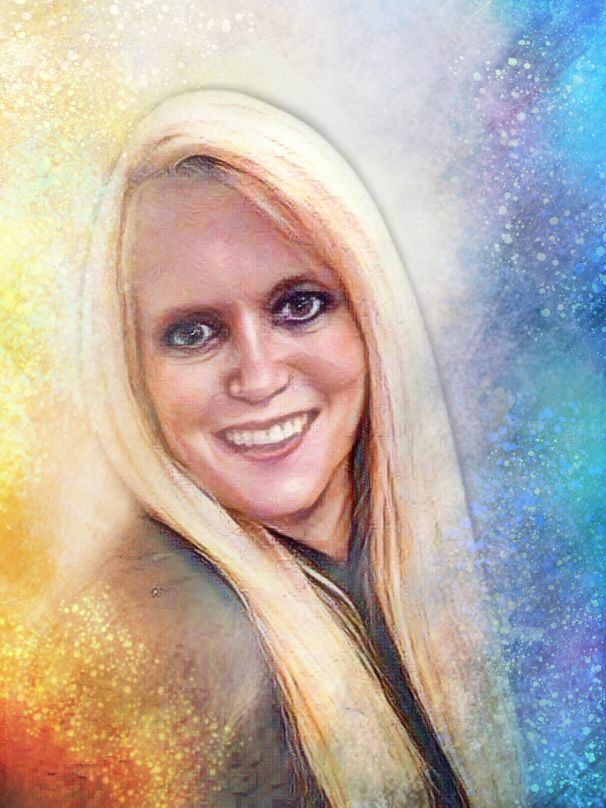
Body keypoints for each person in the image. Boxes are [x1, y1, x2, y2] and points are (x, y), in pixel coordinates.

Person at [1, 91, 524, 807]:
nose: (259, 376)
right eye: (194, 333)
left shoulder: (425, 577)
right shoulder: (155, 653)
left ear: (370, 317)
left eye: (299, 305)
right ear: (133, 372)